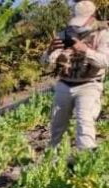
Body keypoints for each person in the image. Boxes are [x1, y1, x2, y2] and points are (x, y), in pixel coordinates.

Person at [42, 1, 109, 151]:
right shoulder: (65, 33)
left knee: (84, 122)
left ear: (92, 17)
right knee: (57, 127)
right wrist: (49, 52)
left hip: (89, 84)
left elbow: (106, 61)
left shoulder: (103, 34)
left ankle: (86, 160)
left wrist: (86, 51)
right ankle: (53, 162)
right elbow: (45, 64)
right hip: (64, 84)